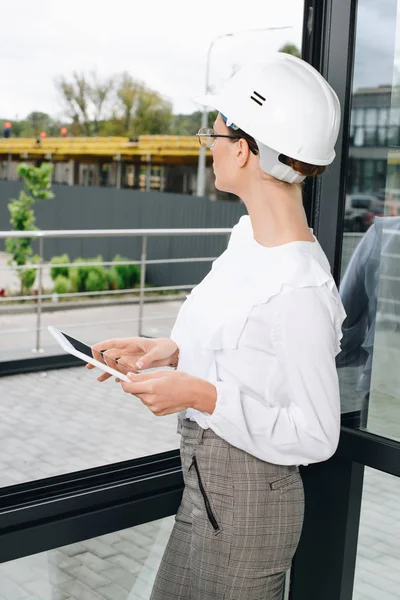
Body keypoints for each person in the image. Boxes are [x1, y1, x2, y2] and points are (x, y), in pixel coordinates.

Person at [87, 53, 345, 600]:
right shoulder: (246, 238)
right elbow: (245, 351)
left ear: (247, 151)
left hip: (250, 511)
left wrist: (202, 396)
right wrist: (170, 352)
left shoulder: (300, 290)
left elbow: (318, 435)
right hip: (203, 489)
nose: (210, 144)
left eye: (217, 132)